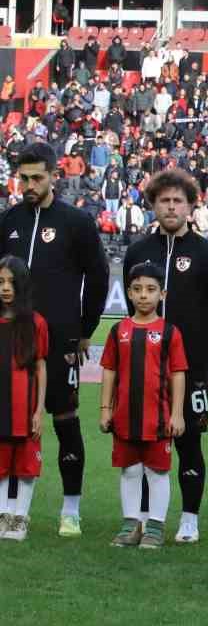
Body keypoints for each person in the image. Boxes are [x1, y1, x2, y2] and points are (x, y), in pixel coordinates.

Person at [0, 141, 110, 538]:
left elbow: (97, 277)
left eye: (36, 178)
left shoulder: (75, 222)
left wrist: (85, 330)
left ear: (53, 176)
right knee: (10, 426)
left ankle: (71, 509)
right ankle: (9, 512)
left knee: (65, 422)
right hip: (11, 344)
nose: (29, 184)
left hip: (61, 339)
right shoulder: (8, 220)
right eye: (23, 178)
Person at [122, 169, 208, 544]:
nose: (171, 207)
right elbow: (131, 300)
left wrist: (199, 347)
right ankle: (144, 520)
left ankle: (189, 518)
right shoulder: (138, 251)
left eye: (178, 201)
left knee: (189, 440)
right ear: (153, 205)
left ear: (190, 206)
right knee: (143, 443)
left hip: (192, 367)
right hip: (143, 368)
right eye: (164, 201)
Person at [99, 263, 188, 549]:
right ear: (128, 292)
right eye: (137, 289)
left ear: (162, 294)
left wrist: (176, 413)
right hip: (125, 416)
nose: (143, 296)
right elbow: (109, 370)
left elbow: (178, 373)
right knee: (130, 471)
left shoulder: (170, 332)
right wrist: (105, 408)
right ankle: (130, 524)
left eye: (150, 290)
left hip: (159, 418)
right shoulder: (118, 330)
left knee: (158, 472)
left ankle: (155, 527)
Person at [0, 258, 48, 542]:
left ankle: (20, 518)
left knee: (27, 466)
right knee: (2, 465)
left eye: (11, 282)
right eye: (1, 282)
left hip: (26, 407)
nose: (6, 288)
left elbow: (40, 367)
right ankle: (3, 514)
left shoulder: (36, 323)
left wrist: (39, 411)